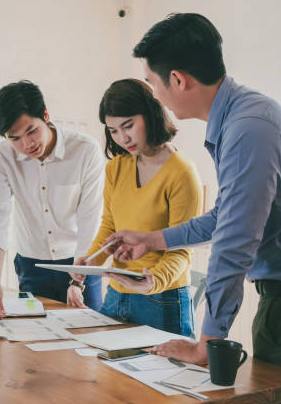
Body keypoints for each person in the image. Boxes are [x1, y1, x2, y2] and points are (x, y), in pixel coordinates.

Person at [105, 13, 281, 404]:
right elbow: (227, 217)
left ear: (177, 79)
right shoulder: (249, 116)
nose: (155, 94)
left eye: (153, 83)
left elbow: (234, 241)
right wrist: (154, 238)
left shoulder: (247, 128)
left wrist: (207, 341)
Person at [69, 79, 202, 338]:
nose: (122, 138)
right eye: (114, 131)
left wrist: (153, 280)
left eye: (128, 125)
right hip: (117, 293)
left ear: (151, 113)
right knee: (107, 376)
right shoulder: (116, 167)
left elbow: (182, 249)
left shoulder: (182, 172)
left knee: (161, 376)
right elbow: (109, 224)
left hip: (163, 298)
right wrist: (91, 261)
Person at [0, 80, 104, 320]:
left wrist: (77, 281)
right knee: (35, 341)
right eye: (14, 138)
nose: (27, 145)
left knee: (90, 340)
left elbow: (90, 220)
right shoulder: (2, 157)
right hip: (32, 266)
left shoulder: (85, 150)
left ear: (45, 115)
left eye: (31, 131)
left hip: (80, 261)